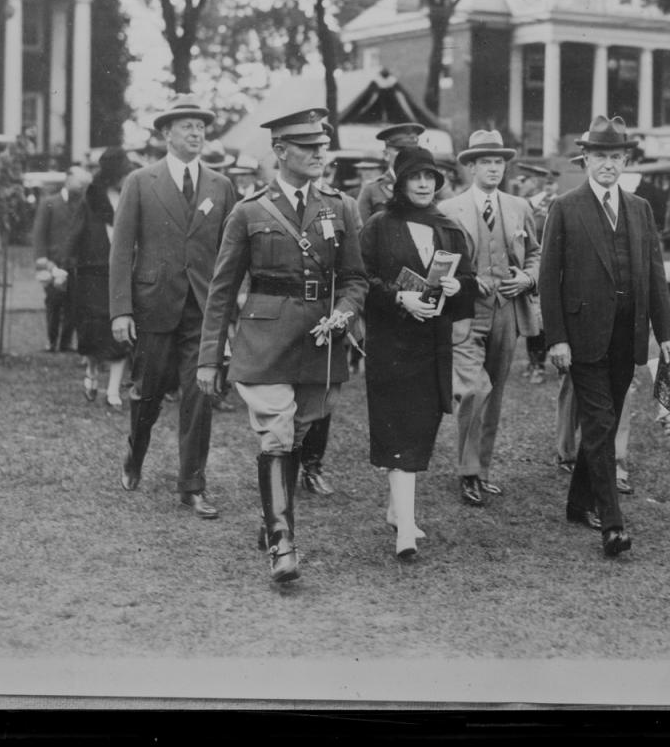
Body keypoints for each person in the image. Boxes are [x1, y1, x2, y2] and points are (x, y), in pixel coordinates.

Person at [197, 109, 366, 583]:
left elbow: (355, 278)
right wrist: (211, 357)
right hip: (265, 341)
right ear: (280, 151)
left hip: (320, 343)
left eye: (321, 145)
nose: (318, 154)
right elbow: (222, 289)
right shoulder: (249, 211)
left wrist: (346, 312)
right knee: (276, 433)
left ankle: (273, 515)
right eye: (307, 146)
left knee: (301, 432)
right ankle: (281, 542)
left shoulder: (341, 207)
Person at [539, 115, 670, 558]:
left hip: (628, 335)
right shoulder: (566, 207)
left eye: (616, 157)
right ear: (586, 159)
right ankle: (612, 523)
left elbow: (656, 278)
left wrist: (667, 336)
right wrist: (557, 338)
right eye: (600, 156)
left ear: (625, 161)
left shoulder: (640, 209)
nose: (609, 164)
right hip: (583, 337)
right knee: (600, 424)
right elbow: (547, 279)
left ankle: (577, 502)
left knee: (604, 422)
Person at [109, 96, 238, 519]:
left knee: (199, 397)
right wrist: (121, 310)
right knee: (146, 396)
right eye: (187, 127)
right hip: (153, 306)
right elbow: (121, 250)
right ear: (166, 134)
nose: (197, 133)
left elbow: (229, 251)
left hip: (203, 310)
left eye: (201, 127)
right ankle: (135, 455)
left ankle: (192, 485)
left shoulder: (220, 185)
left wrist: (232, 305)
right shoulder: (141, 181)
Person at [360, 146, 476, 561]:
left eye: (431, 177)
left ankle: (397, 509)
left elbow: (468, 282)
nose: (425, 184)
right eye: (416, 177)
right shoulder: (378, 226)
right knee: (399, 430)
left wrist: (457, 288)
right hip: (391, 345)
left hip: (433, 345)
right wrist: (400, 299)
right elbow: (362, 282)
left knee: (422, 426)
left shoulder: (448, 228)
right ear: (400, 183)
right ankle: (406, 528)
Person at [439, 130, 540, 507]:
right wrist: (466, 281)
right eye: (486, 162)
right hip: (467, 312)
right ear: (470, 167)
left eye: (499, 162)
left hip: (507, 311)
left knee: (494, 393)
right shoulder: (449, 210)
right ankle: (467, 472)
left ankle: (482, 471)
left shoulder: (519, 207)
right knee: (473, 389)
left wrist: (528, 278)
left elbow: (535, 254)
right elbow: (440, 263)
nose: (494, 168)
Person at [293, 156, 367, 497]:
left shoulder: (344, 205)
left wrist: (344, 312)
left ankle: (312, 464)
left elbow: (355, 263)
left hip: (328, 311)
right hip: (287, 310)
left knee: (322, 391)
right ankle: (284, 462)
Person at [61, 147, 136, 412]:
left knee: (122, 329)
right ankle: (92, 371)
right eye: (124, 172)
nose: (127, 177)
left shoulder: (132, 194)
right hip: (94, 273)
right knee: (93, 331)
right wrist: (63, 265)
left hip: (123, 272)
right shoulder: (91, 197)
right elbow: (75, 232)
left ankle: (113, 389)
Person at [32, 164, 89, 352]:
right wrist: (42, 261)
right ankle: (51, 341)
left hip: (76, 263)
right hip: (53, 263)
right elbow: (39, 234)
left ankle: (66, 342)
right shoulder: (49, 202)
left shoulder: (83, 204)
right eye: (79, 183)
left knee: (73, 304)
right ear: (69, 179)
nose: (81, 187)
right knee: (53, 302)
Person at [517, 162, 558, 384]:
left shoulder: (551, 205)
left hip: (545, 269)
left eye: (524, 181)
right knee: (529, 316)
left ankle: (540, 365)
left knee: (540, 318)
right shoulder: (524, 205)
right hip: (527, 269)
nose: (521, 184)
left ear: (535, 183)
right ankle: (533, 361)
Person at [357, 122, 425, 221]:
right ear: (386, 154)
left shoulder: (428, 186)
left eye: (412, 150)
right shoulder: (372, 189)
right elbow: (361, 230)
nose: (406, 155)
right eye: (399, 150)